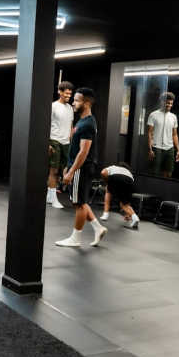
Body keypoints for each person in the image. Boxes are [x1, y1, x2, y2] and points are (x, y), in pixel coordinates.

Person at [55, 88, 107, 247]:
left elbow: (84, 151)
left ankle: (76, 238)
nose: (73, 102)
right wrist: (68, 166)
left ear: (87, 102)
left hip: (81, 168)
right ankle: (98, 228)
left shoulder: (88, 124)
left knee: (79, 204)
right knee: (81, 202)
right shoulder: (83, 121)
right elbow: (76, 148)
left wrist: (71, 171)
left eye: (77, 100)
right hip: (77, 167)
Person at [47, 81, 74, 209]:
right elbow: (46, 125)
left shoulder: (70, 108)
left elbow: (71, 126)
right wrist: (47, 144)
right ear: (60, 92)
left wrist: (72, 141)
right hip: (54, 140)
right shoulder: (53, 106)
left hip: (66, 142)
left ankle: (49, 196)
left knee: (60, 172)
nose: (69, 96)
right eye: (66, 93)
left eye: (70, 94)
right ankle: (53, 200)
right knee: (54, 170)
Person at [147, 92, 179, 178]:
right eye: (167, 103)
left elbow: (175, 134)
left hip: (169, 148)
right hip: (156, 147)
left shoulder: (173, 117)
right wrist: (150, 149)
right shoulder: (153, 115)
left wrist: (178, 149)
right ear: (162, 102)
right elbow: (150, 133)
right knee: (155, 173)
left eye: (171, 103)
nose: (169, 105)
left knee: (168, 173)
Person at [99, 163, 140, 229]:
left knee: (108, 191)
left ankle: (105, 214)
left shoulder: (113, 167)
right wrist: (127, 214)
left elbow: (103, 172)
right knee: (124, 205)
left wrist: (107, 181)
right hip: (129, 181)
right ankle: (135, 218)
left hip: (116, 178)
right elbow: (127, 200)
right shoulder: (129, 173)